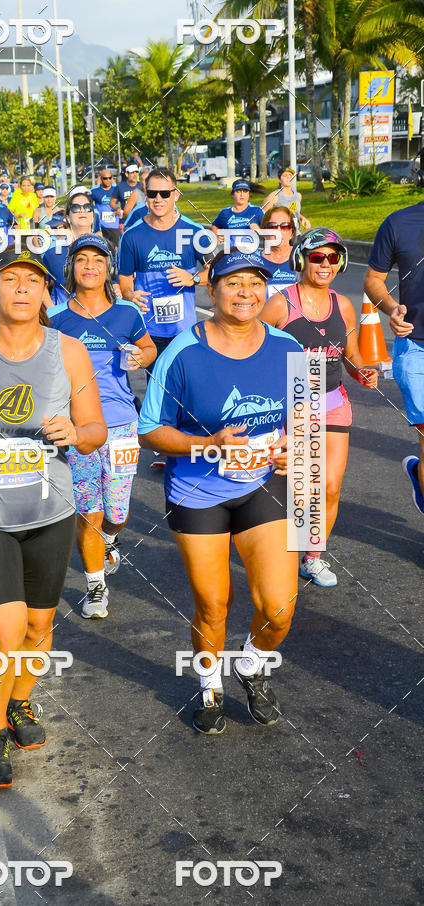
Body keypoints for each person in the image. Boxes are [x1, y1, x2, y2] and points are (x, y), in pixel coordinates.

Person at [0, 245, 106, 788]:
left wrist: (77, 433)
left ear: (45, 292)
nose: (22, 288)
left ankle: (20, 701)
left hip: (50, 510)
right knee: (5, 628)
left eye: (33, 280)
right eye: (10, 278)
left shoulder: (70, 352)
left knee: (40, 626)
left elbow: (96, 431)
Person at [138, 250, 302, 734]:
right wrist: (208, 443)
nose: (245, 292)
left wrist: (294, 448)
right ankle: (210, 685)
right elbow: (150, 430)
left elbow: (305, 418)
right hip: (197, 491)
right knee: (213, 606)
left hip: (262, 484)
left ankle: (250, 665)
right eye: (233, 282)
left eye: (255, 282)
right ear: (211, 290)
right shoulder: (182, 353)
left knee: (278, 607)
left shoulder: (289, 347)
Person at [263, 227, 378, 585]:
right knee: (299, 491)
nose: (325, 263)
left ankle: (311, 557)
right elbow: (254, 349)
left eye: (333, 257)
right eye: (317, 257)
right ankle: (273, 550)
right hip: (292, 406)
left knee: (328, 486)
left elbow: (351, 355)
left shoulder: (342, 306)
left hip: (333, 403)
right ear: (301, 260)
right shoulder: (280, 304)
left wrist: (363, 372)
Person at [48, 234, 156, 617]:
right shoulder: (56, 318)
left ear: (108, 267)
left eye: (97, 259)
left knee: (117, 512)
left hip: (121, 424)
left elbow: (149, 348)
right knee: (88, 508)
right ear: (71, 268)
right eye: (82, 259)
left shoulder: (127, 313)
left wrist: (140, 357)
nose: (89, 266)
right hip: (77, 428)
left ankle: (110, 538)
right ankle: (95, 587)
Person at [364, 201, 424, 514]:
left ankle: (419, 476)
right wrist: (392, 309)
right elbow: (373, 279)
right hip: (415, 348)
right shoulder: (398, 223)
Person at [118, 167, 208, 366]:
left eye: (165, 193)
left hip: (184, 331)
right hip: (149, 334)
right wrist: (129, 295)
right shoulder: (131, 236)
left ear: (176, 195)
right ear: (146, 196)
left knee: (186, 385)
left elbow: (217, 273)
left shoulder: (195, 231)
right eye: (152, 193)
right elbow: (124, 278)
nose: (158, 199)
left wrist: (192, 278)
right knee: (156, 384)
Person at [42, 186, 108, 306]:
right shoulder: (52, 251)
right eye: (76, 208)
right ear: (67, 217)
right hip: (63, 317)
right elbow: (40, 285)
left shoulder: (106, 249)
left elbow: (115, 283)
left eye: (88, 207)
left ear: (93, 215)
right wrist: (52, 311)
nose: (82, 211)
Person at [211, 179, 263, 248]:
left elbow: (270, 232)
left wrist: (258, 230)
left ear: (249, 194)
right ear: (233, 194)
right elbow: (215, 225)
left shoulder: (257, 211)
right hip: (230, 252)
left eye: (245, 191)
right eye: (238, 191)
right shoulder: (225, 213)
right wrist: (216, 235)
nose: (242, 195)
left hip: (251, 252)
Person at [259, 206, 298, 298]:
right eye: (272, 226)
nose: (278, 231)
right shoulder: (254, 261)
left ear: (292, 231)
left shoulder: (304, 258)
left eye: (285, 226)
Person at [91, 168, 119, 246]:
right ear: (101, 179)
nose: (108, 180)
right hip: (101, 225)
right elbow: (89, 205)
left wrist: (119, 210)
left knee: (115, 247)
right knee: (102, 246)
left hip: (114, 225)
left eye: (110, 178)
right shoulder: (94, 191)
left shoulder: (117, 189)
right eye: (105, 178)